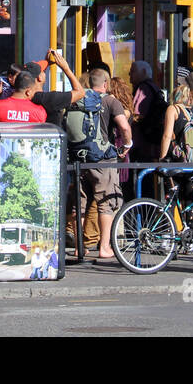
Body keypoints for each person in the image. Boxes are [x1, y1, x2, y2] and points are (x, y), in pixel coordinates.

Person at [73, 68, 132, 260]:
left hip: (79, 159)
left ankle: (79, 247)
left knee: (80, 203)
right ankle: (104, 247)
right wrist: (127, 145)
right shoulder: (110, 101)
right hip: (102, 160)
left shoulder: (78, 99)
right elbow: (124, 127)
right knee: (106, 203)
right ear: (106, 84)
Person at [128, 61, 168, 163]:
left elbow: (137, 115)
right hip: (152, 141)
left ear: (144, 72)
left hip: (142, 141)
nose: (129, 74)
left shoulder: (143, 88)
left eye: (133, 71)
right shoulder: (154, 87)